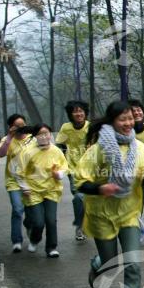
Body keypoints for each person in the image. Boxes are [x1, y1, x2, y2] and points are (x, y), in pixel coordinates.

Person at [75, 101, 144, 288]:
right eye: (123, 119)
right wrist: (101, 189)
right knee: (110, 263)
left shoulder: (139, 148)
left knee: (133, 264)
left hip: (129, 213)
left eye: (130, 118)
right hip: (101, 214)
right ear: (112, 122)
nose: (128, 123)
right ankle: (98, 263)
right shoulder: (98, 148)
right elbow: (79, 181)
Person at [16, 124, 68, 258]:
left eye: (47, 133)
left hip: (51, 190)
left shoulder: (56, 151)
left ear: (51, 134)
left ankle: (51, 247)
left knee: (51, 220)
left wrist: (60, 174)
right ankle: (34, 238)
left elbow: (64, 166)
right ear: (35, 136)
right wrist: (24, 187)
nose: (44, 136)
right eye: (40, 134)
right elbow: (19, 172)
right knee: (38, 222)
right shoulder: (28, 152)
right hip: (33, 191)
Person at [55, 100, 90, 241]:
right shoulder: (66, 127)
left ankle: (87, 223)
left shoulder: (91, 126)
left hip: (91, 168)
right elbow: (59, 145)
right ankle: (80, 226)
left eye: (81, 110)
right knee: (79, 197)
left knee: (88, 199)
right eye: (75, 111)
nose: (78, 113)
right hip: (73, 168)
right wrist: (61, 162)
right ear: (71, 114)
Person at [0, 114, 31, 253]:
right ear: (11, 127)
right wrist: (9, 138)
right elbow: (0, 154)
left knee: (31, 211)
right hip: (13, 181)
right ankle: (16, 240)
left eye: (22, 125)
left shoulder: (31, 138)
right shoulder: (7, 140)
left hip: (31, 181)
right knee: (18, 209)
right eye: (17, 125)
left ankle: (29, 224)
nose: (20, 128)